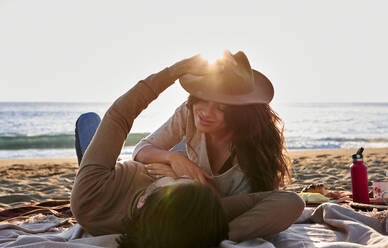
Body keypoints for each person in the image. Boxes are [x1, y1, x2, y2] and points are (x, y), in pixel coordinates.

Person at [70, 53, 304, 248]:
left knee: (89, 121)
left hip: (105, 176)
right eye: (195, 186)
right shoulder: (198, 216)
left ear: (145, 203)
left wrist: (173, 72)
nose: (197, 181)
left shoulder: (91, 196)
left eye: (187, 184)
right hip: (150, 173)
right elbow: (290, 202)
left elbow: (119, 116)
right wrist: (215, 236)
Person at [133, 50, 290, 196]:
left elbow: (243, 204)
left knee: (289, 202)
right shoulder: (188, 112)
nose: (206, 113)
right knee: (139, 171)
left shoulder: (253, 151)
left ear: (240, 114)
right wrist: (174, 159)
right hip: (195, 202)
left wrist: (186, 179)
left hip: (231, 208)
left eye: (221, 108)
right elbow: (141, 151)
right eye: (202, 99)